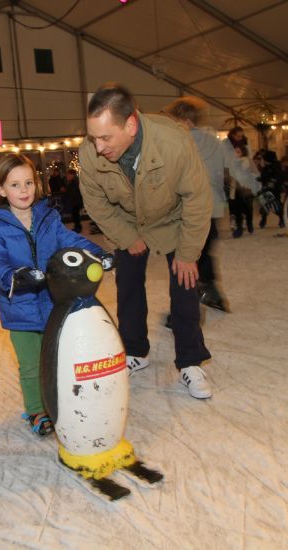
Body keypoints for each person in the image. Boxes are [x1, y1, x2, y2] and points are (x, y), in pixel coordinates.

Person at [79, 82, 213, 399]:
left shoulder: (173, 142)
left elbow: (197, 198)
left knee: (184, 284)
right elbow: (95, 203)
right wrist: (126, 237)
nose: (97, 147)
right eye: (93, 137)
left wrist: (188, 253)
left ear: (130, 125)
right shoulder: (89, 152)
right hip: (127, 220)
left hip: (173, 219)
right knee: (127, 284)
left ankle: (190, 361)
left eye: (105, 137)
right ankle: (135, 351)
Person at [0, 154, 108, 435]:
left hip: (52, 304)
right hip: (19, 308)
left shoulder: (48, 217)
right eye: (15, 185)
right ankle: (37, 409)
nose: (23, 190)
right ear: (1, 189)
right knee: (31, 365)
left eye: (28, 182)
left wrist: (97, 254)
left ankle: (61, 401)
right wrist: (11, 276)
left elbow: (71, 240)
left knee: (59, 359)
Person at [162, 96, 230, 312]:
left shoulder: (180, 142)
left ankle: (185, 309)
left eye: (174, 120)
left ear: (185, 120)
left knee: (185, 259)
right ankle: (211, 292)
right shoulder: (214, 142)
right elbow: (223, 173)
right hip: (213, 208)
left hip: (190, 210)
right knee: (204, 253)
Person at [64, 168, 84, 233]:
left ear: (72, 175)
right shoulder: (73, 182)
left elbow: (73, 193)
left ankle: (78, 227)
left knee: (76, 215)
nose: (67, 176)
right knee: (75, 215)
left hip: (76, 202)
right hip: (75, 201)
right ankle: (77, 227)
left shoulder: (75, 182)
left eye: (68, 175)